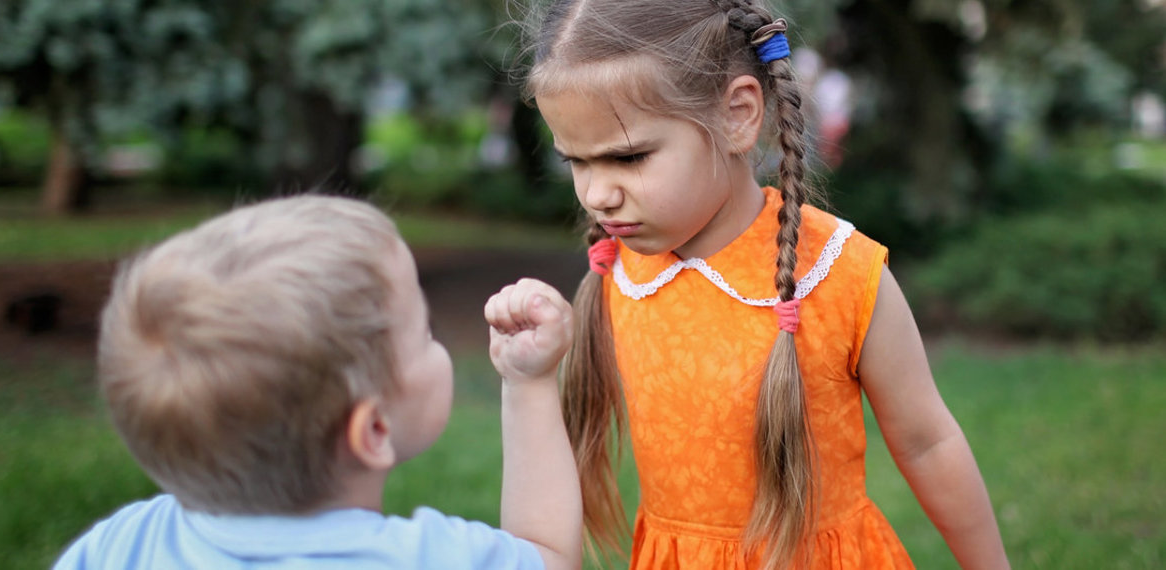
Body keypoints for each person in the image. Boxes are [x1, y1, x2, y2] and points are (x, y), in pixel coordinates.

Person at [515, 1, 1011, 569]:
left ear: (738, 115)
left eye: (628, 157)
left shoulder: (836, 272)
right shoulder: (620, 273)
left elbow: (928, 442)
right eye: (576, 162)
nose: (597, 195)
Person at [53, 194, 582, 569]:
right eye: (425, 331)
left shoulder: (120, 545)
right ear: (372, 430)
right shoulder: (432, 560)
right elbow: (549, 555)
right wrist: (529, 384)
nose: (434, 337)